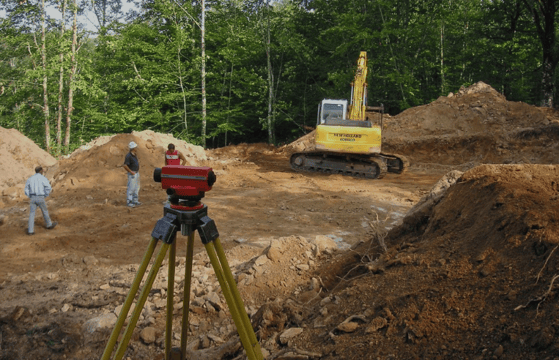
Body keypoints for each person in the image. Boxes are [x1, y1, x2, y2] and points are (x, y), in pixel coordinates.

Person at [24, 166, 57, 235]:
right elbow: (48, 188)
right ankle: (49, 224)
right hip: (40, 197)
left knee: (32, 214)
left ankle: (30, 231)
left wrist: (30, 196)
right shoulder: (43, 178)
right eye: (42, 171)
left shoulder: (30, 178)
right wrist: (45, 195)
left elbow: (26, 189)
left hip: (33, 197)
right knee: (44, 211)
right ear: (41, 171)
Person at [123, 141, 141, 208]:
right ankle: (129, 201)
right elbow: (125, 165)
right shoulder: (128, 156)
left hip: (136, 173)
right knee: (131, 188)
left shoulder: (134, 155)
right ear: (133, 148)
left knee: (137, 187)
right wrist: (131, 172)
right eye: (135, 147)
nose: (137, 148)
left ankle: (135, 200)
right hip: (132, 174)